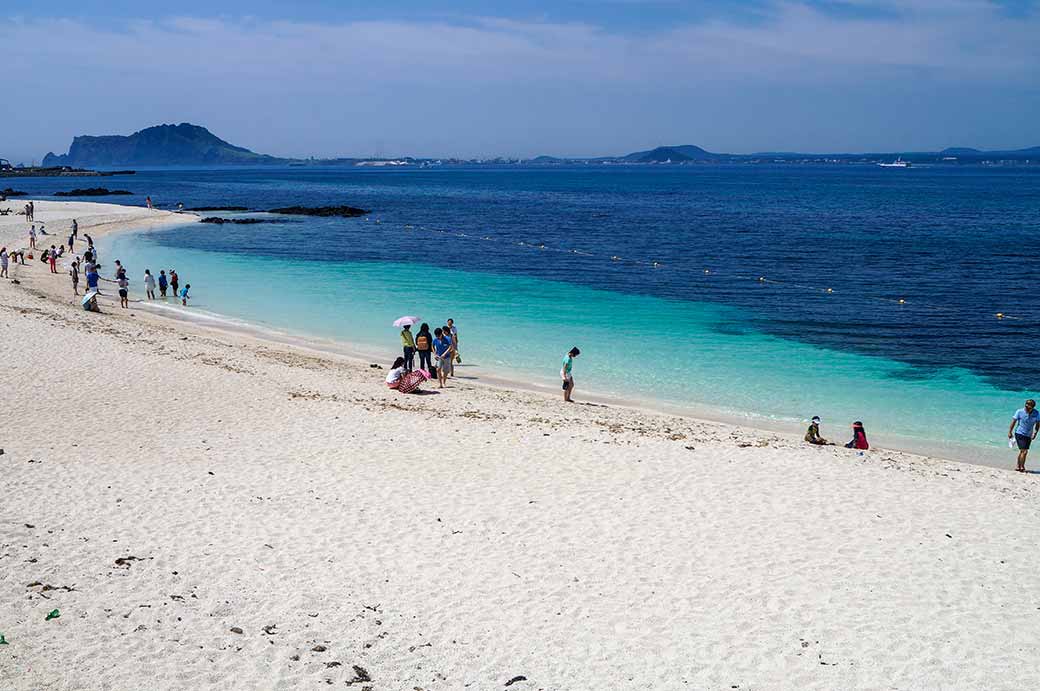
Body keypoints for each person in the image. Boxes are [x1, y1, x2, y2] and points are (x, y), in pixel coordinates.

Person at [1008, 399, 1040, 472]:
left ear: (1033, 407)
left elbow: (1038, 424)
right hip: (1019, 433)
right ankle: (1022, 466)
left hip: (1028, 435)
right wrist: (1010, 432)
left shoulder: (1036, 413)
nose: (1027, 409)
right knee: (1024, 451)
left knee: (1023, 451)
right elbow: (1013, 422)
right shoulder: (1019, 411)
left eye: (1029, 408)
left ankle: (1018, 466)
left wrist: (1035, 433)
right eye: (1026, 407)